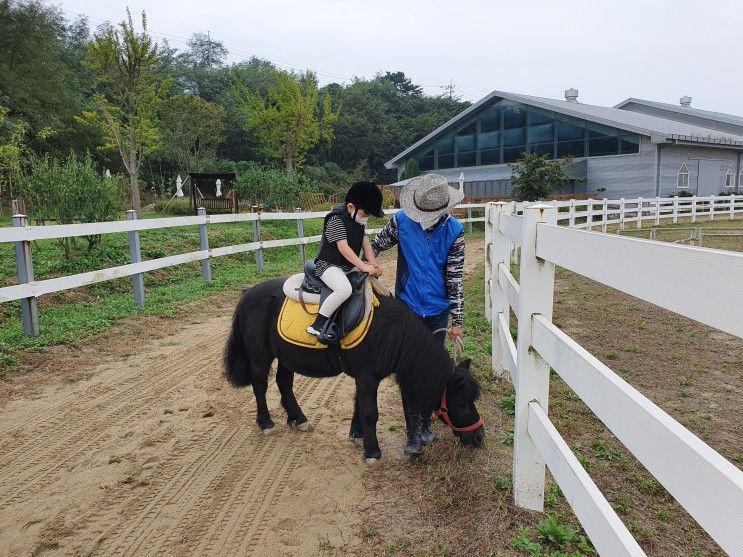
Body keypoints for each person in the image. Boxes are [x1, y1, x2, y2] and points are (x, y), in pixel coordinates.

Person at [370, 173, 465, 447]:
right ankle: (412, 431)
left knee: (431, 371)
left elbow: (455, 279)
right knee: (409, 371)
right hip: (407, 308)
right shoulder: (401, 221)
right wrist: (365, 265)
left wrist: (456, 320)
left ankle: (424, 422)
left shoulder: (455, 232)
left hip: (437, 310)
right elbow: (376, 245)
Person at [307, 181, 385, 344]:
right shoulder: (336, 219)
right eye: (365, 214)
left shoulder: (358, 220)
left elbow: (366, 244)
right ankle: (318, 324)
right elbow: (343, 248)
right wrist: (363, 266)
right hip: (328, 265)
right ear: (351, 207)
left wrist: (373, 263)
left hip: (344, 267)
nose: (366, 218)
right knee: (344, 289)